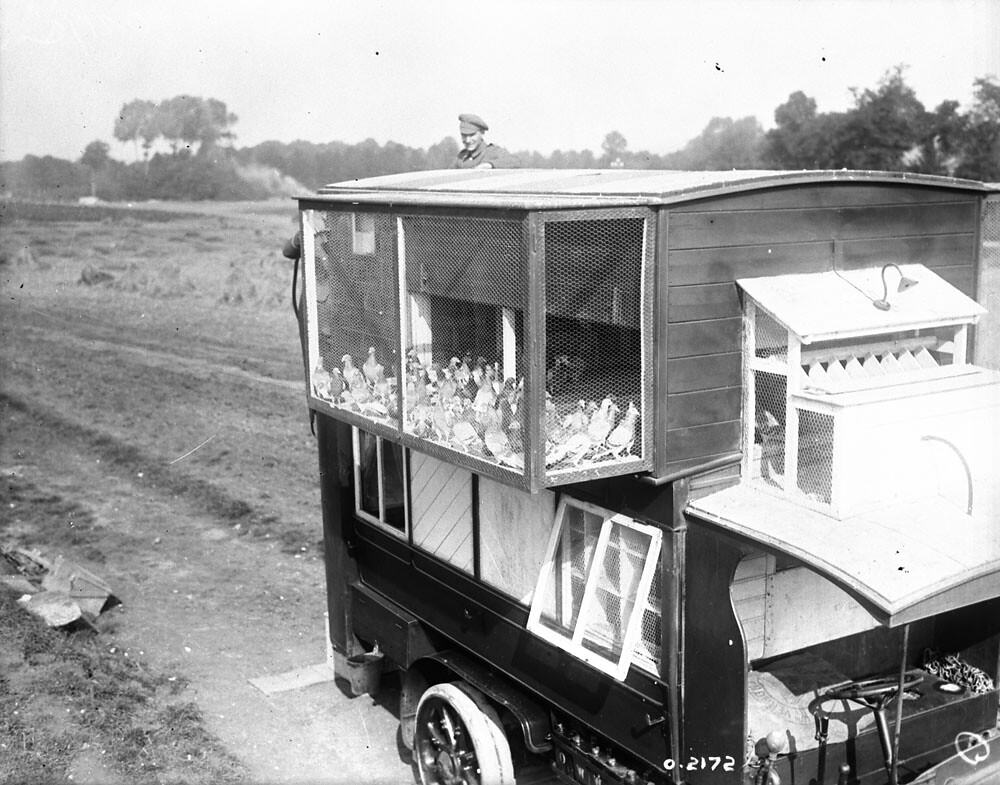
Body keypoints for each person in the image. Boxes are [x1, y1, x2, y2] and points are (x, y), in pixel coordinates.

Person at [453, 113, 519, 169]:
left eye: (472, 135)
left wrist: (490, 165)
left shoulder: (492, 151)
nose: (467, 140)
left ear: (482, 133)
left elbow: (515, 161)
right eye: (464, 135)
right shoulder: (461, 157)